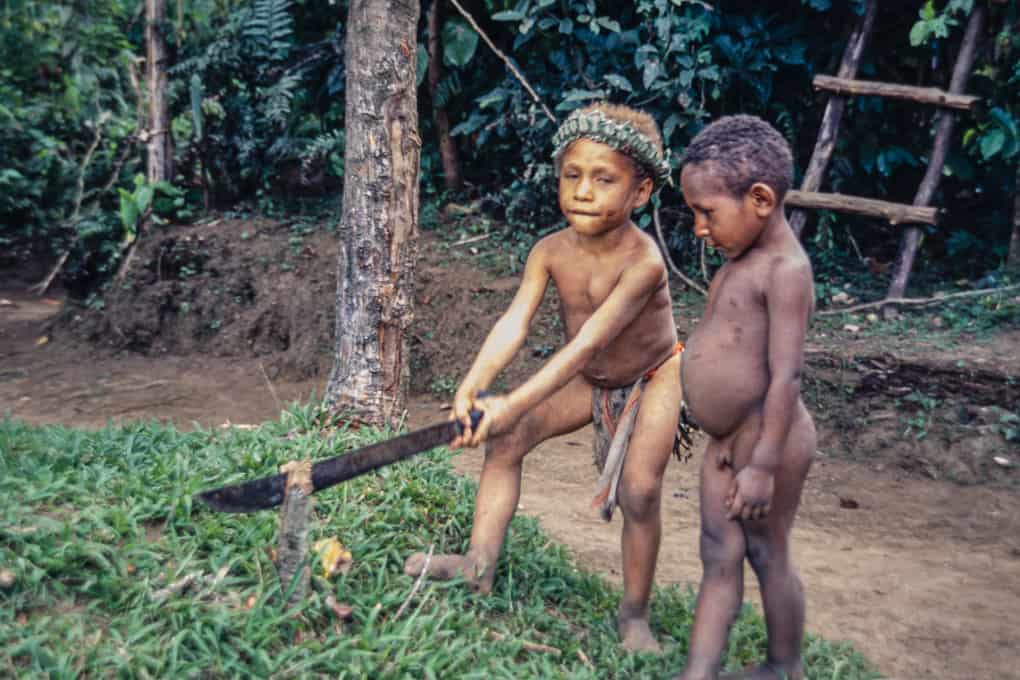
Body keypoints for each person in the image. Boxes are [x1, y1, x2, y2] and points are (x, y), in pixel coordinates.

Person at [404, 102, 692, 652]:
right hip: (590, 375)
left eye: (603, 179)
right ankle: (476, 566)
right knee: (508, 439)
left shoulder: (645, 262)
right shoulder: (549, 251)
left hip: (654, 376)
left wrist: (509, 400)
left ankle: (634, 615)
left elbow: (587, 343)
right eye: (572, 175)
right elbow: (514, 323)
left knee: (640, 489)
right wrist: (473, 385)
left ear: (641, 192)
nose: (583, 191)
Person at [673, 115, 817, 680]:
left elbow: (787, 377)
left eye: (706, 211)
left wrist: (762, 466)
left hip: (768, 440)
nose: (699, 227)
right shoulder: (740, 262)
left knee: (766, 553)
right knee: (718, 554)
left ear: (759, 199)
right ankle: (698, 673)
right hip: (724, 442)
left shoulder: (786, 270)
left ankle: (784, 666)